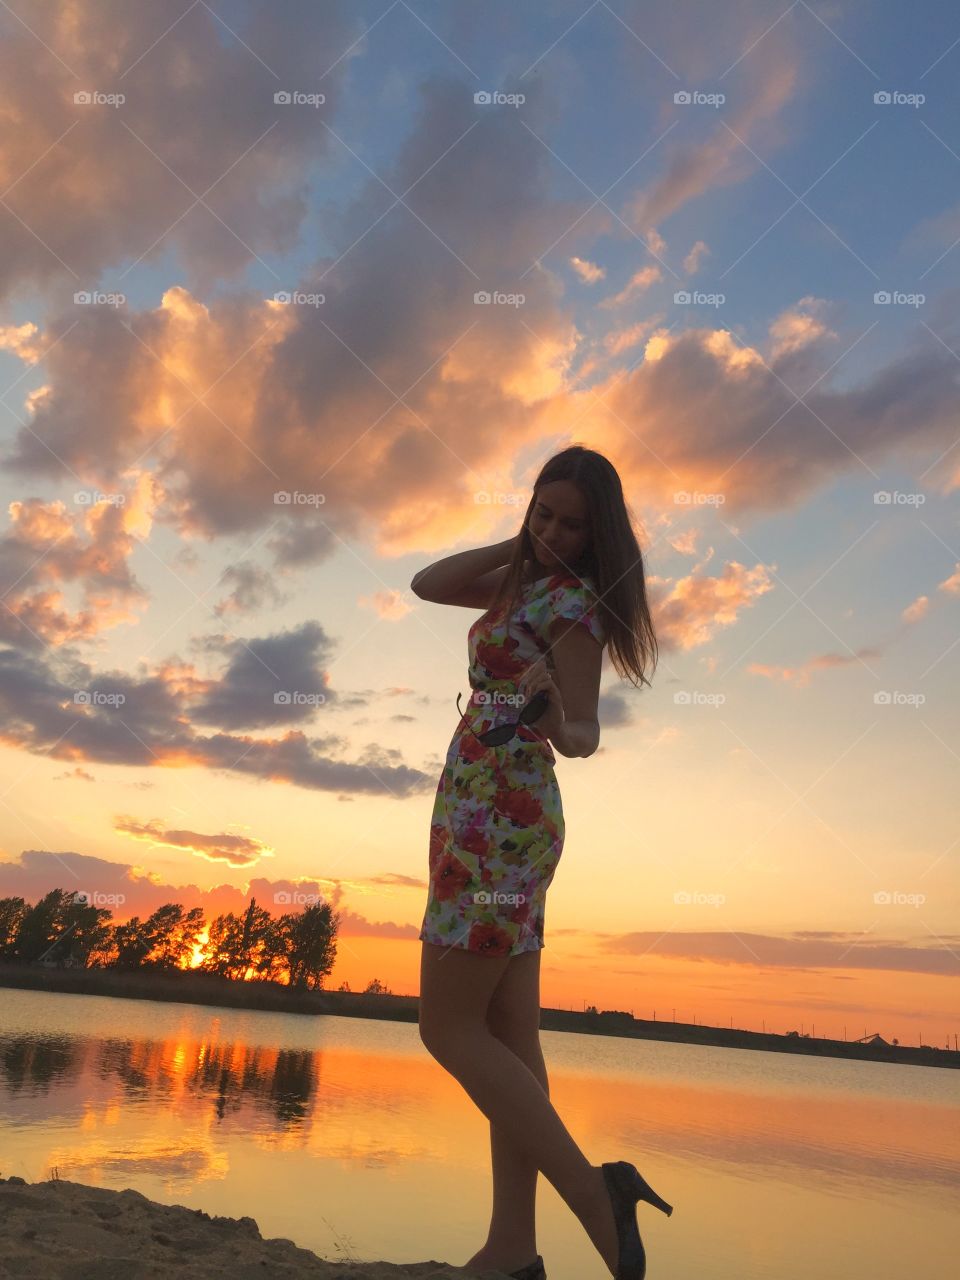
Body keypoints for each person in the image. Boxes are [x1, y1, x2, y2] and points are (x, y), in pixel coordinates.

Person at [410, 446, 672, 1280]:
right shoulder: (522, 582)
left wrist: (560, 720)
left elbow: (586, 734)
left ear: (600, 538)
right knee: (510, 1033)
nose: (557, 534)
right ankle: (512, 1249)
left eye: (573, 524)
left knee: (445, 1027)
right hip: (472, 809)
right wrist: (516, 543)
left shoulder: (571, 609)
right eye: (544, 514)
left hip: (505, 823)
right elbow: (427, 582)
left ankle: (597, 1195)